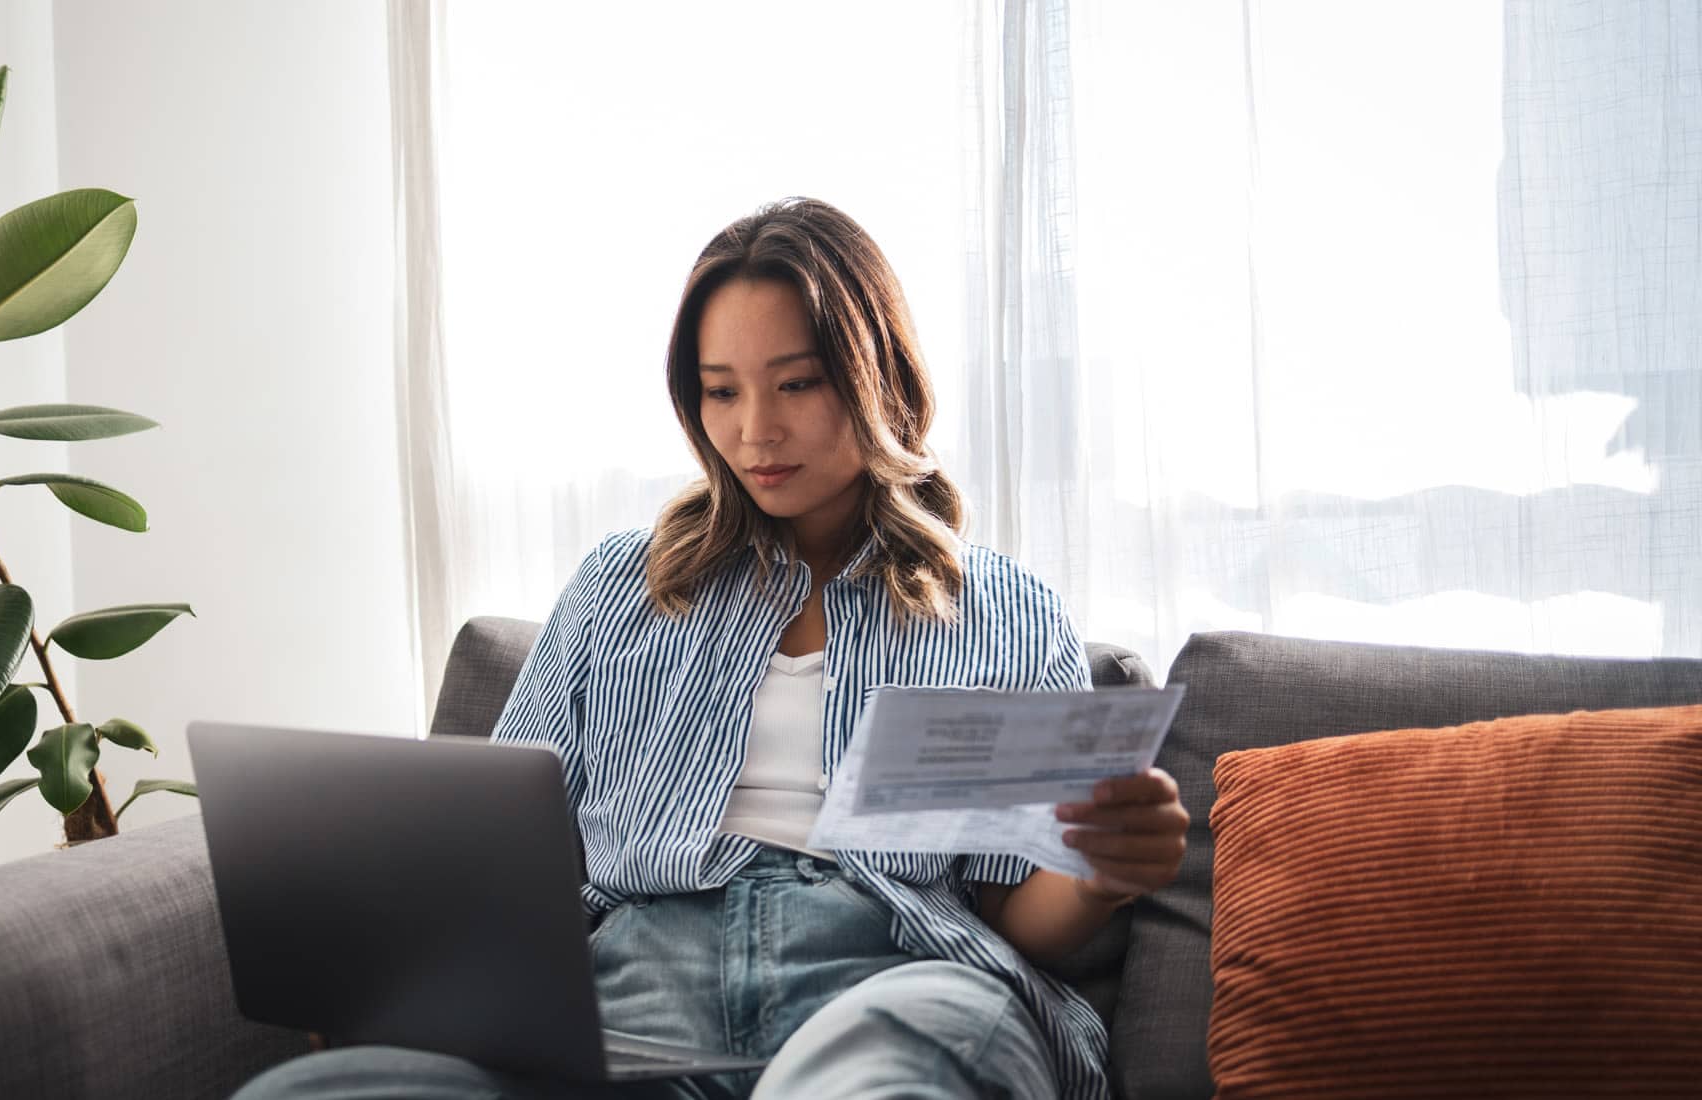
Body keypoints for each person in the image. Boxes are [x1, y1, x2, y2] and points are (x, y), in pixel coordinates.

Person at [233, 198, 1189, 1100]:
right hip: (641, 980)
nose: (754, 432)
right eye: (720, 393)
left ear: (877, 377)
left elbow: (1014, 914)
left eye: (797, 384)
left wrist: (1100, 875)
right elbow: (501, 850)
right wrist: (391, 977)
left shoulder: (1004, 614)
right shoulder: (620, 587)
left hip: (894, 977)